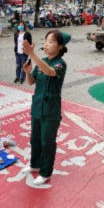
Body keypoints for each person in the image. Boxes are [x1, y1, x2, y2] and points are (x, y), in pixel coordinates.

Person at [20, 30, 70, 186]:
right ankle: (35, 164)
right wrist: (27, 72)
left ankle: (45, 172)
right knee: (35, 139)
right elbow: (31, 82)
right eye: (45, 41)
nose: (46, 44)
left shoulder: (60, 63)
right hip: (37, 106)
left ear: (60, 46)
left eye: (51, 41)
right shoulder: (41, 61)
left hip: (51, 108)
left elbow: (50, 72)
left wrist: (32, 54)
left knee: (47, 142)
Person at [13, 20, 32, 84]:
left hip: (24, 53)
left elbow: (30, 43)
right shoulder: (16, 34)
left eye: (22, 25)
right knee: (18, 65)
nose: (20, 26)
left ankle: (22, 78)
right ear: (17, 26)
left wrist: (27, 48)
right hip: (17, 52)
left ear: (24, 26)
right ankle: (17, 77)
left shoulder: (27, 34)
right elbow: (15, 42)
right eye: (19, 25)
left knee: (24, 65)